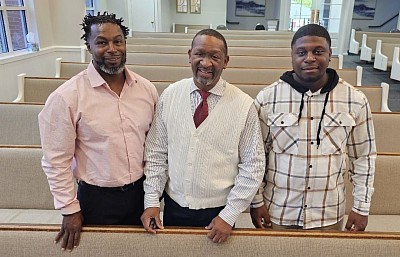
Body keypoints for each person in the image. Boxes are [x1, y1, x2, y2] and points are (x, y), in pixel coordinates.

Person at [38, 12, 158, 251]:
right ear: (89, 46)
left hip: (140, 193)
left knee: (141, 253)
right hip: (96, 198)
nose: (112, 49)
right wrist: (69, 209)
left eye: (118, 41)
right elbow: (55, 161)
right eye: (102, 42)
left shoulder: (146, 90)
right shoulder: (67, 97)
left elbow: (155, 148)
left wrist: (153, 198)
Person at [140, 29, 265, 243]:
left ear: (225, 61)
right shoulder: (170, 95)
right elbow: (156, 152)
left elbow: (253, 165)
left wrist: (230, 214)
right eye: (199, 54)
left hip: (219, 211)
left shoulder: (244, 105)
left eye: (214, 57)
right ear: (190, 55)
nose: (206, 63)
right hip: (174, 205)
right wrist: (151, 200)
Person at [250, 24, 376, 231]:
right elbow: (255, 156)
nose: (309, 58)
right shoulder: (267, 98)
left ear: (330, 54)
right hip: (279, 210)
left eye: (318, 51)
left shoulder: (355, 100)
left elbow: (364, 157)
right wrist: (256, 202)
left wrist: (361, 207)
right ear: (292, 56)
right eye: (301, 52)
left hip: (328, 213)